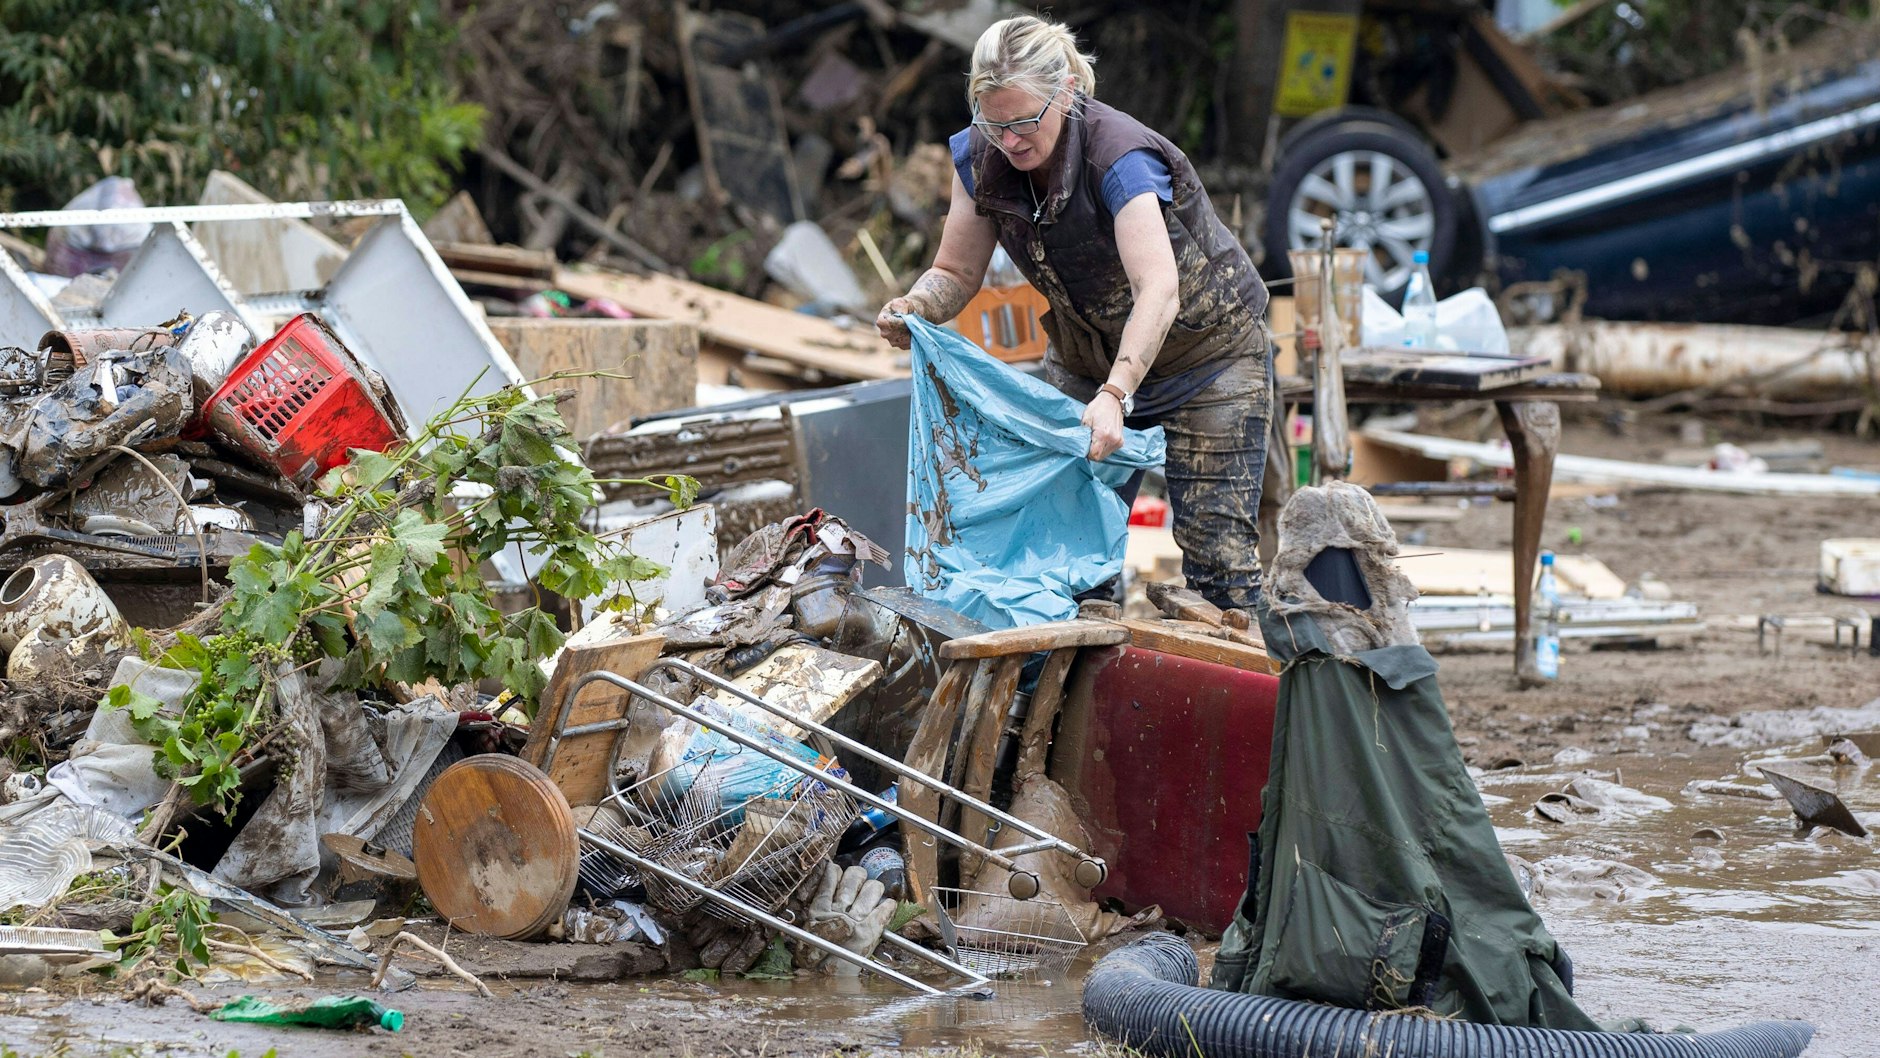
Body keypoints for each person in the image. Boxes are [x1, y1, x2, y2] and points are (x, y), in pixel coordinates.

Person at [876, 14, 1275, 612]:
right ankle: (1074, 701)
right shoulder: (981, 160)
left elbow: (1158, 288)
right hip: (1086, 361)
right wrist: (917, 306)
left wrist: (1117, 395)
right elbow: (957, 273)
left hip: (1206, 362)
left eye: (1024, 121)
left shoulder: (1118, 157)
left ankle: (1251, 698)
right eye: (994, 122)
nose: (1009, 141)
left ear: (1065, 89)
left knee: (1219, 570)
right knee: (1066, 560)